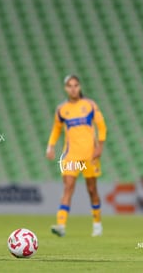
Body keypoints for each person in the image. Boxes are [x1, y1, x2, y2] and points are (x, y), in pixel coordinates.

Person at [46, 75, 107, 237]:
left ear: (79, 87)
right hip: (71, 156)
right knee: (68, 187)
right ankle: (61, 225)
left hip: (89, 155)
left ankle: (97, 224)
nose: (73, 88)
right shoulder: (62, 109)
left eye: (75, 85)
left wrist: (100, 146)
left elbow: (101, 126)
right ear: (66, 88)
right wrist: (50, 146)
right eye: (69, 86)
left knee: (92, 190)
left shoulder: (89, 105)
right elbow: (56, 129)